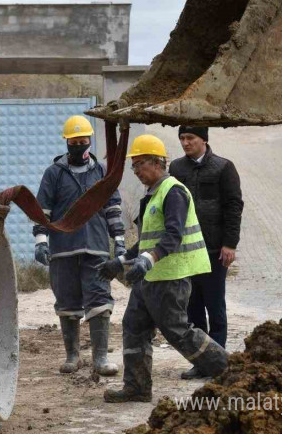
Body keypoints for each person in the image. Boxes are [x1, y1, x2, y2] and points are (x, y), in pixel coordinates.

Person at [96, 134, 228, 403]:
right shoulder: (153, 195)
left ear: (157, 163)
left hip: (170, 276)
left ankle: (230, 369)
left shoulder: (174, 191)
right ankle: (137, 387)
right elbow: (148, 240)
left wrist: (147, 260)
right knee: (133, 326)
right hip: (151, 278)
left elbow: (172, 235)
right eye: (133, 166)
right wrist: (121, 261)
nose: (136, 171)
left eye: (140, 164)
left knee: (178, 331)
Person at [33, 115, 126, 376]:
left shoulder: (102, 172)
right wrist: (41, 241)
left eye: (83, 141)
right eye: (74, 141)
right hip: (62, 249)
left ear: (90, 141)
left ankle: (99, 359)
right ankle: (72, 356)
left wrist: (119, 242)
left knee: (99, 299)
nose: (79, 145)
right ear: (66, 142)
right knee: (67, 302)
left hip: (95, 248)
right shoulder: (53, 174)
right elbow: (42, 212)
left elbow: (113, 209)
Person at [169, 126, 243, 379]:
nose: (185, 143)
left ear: (204, 140)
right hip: (187, 250)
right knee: (193, 307)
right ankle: (201, 361)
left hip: (213, 249)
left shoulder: (223, 167)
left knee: (215, 305)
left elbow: (234, 207)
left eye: (190, 138)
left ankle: (219, 360)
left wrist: (230, 243)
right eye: (182, 138)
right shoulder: (177, 169)